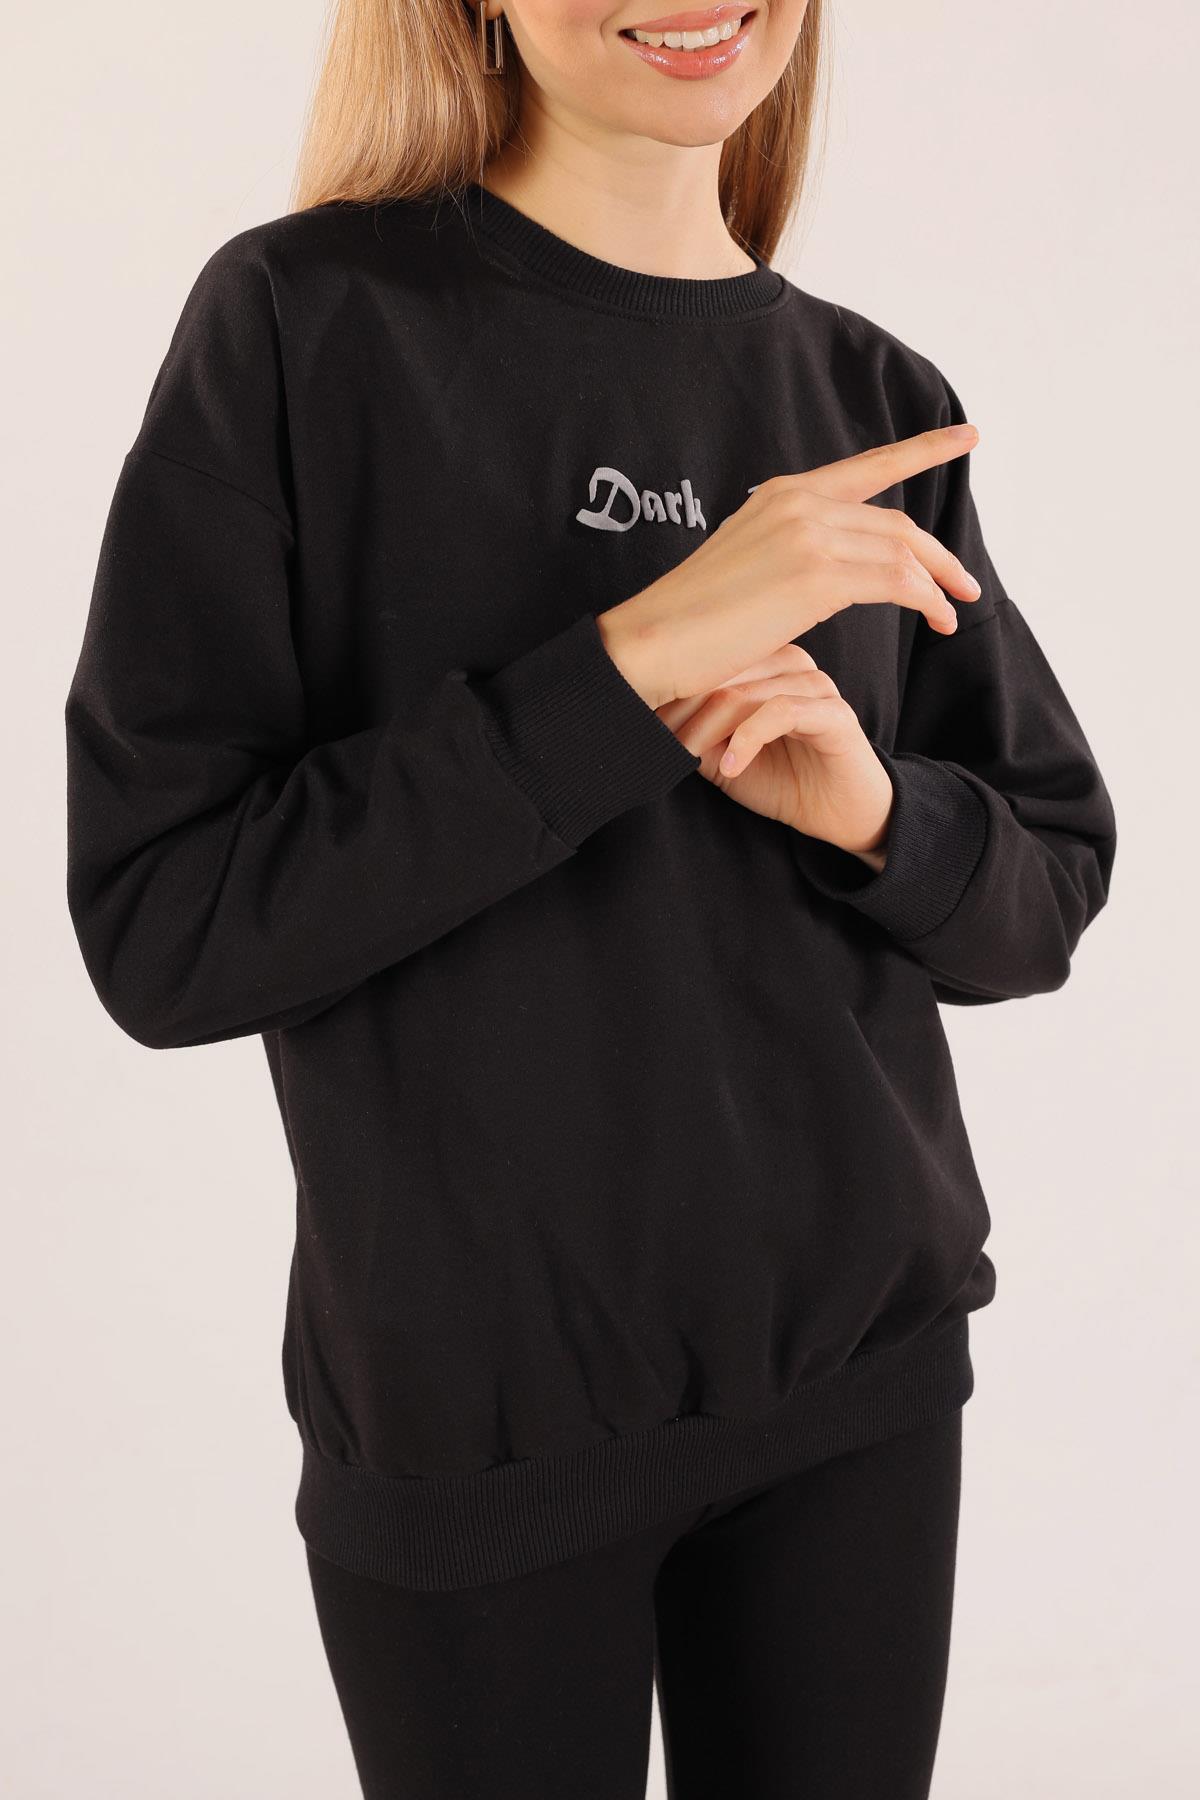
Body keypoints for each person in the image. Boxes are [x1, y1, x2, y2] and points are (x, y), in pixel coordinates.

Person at [63, 2, 1118, 1795]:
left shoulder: (878, 404)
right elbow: (168, 929)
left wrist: (869, 810)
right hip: (478, 1444)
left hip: (863, 1394)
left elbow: (1047, 890)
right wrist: (624, 672)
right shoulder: (307, 328)